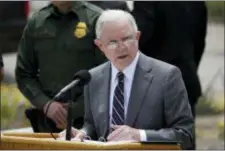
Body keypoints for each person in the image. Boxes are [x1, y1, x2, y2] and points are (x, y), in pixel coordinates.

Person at [60, 10, 194, 150]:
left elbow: (184, 134)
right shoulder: (93, 78)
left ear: (137, 37)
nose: (121, 47)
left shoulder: (166, 76)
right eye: (112, 42)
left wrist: (139, 135)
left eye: (126, 39)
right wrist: (83, 133)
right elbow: (92, 125)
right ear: (100, 46)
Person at [15, 1, 106, 133]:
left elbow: (108, 73)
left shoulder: (97, 19)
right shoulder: (36, 22)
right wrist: (46, 104)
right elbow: (24, 74)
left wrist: (75, 109)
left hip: (89, 122)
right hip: (47, 122)